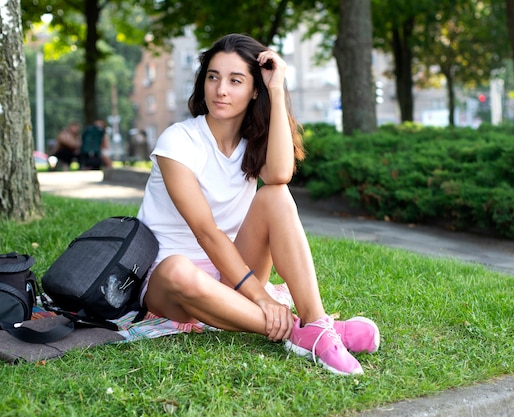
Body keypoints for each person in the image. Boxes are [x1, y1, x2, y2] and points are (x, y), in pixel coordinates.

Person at [137, 34, 380, 376]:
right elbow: (206, 233)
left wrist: (277, 89)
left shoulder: (252, 145)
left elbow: (280, 175)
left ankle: (315, 321)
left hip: (231, 272)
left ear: (254, 90)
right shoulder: (177, 141)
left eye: (236, 81)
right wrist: (263, 297)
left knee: (275, 194)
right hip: (171, 283)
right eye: (213, 77)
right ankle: (306, 333)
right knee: (179, 268)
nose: (221, 90)